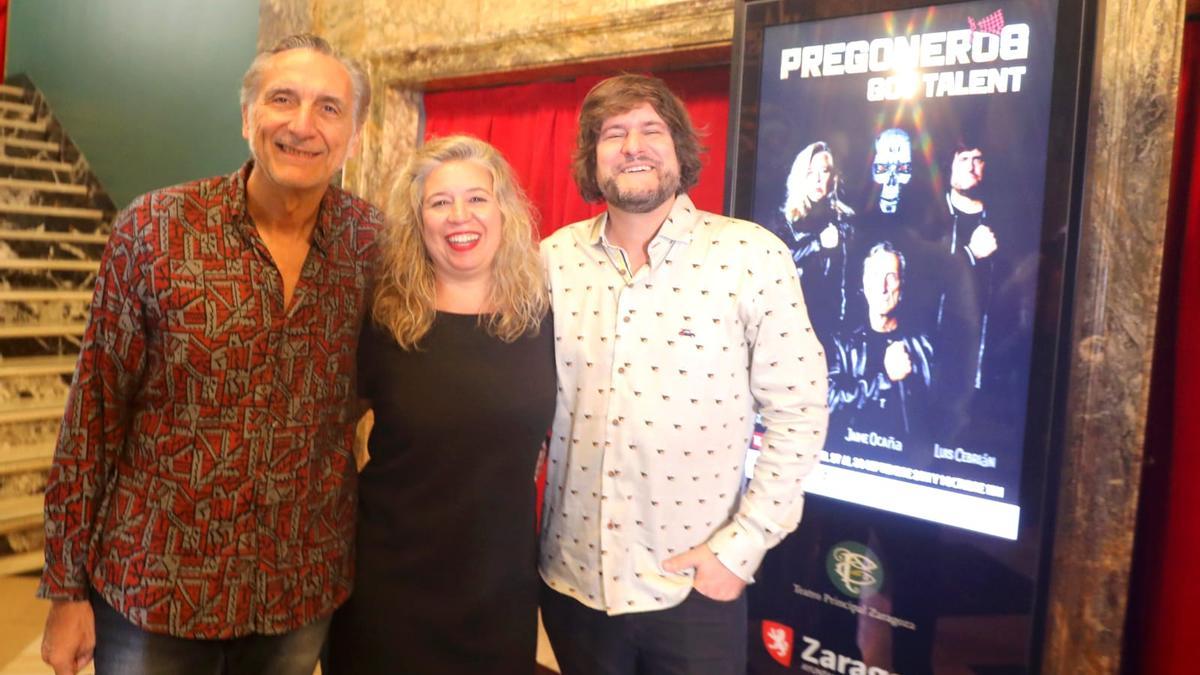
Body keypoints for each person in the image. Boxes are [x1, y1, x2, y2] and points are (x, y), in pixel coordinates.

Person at [38, 34, 380, 675]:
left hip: (296, 590)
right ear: (248, 116)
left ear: (354, 135)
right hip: (154, 589)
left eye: (329, 108)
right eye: (283, 99)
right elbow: (93, 414)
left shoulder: (372, 246)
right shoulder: (155, 228)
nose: (303, 125)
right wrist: (65, 586)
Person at [538, 73, 829, 675]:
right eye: (613, 134)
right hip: (572, 585)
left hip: (692, 589)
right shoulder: (551, 259)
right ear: (592, 160)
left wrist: (741, 547)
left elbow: (799, 411)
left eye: (651, 130)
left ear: (680, 150)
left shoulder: (750, 256)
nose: (633, 146)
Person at [324, 135, 555, 675]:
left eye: (477, 197)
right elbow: (327, 433)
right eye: (439, 202)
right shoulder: (382, 317)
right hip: (389, 587)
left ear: (504, 211)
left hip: (499, 590)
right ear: (418, 219)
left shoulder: (544, 317)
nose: (459, 216)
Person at [827, 242, 933, 445]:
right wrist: (884, 378)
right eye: (875, 276)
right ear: (864, 284)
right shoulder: (841, 343)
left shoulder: (923, 347)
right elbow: (828, 403)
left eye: (891, 277)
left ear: (902, 285)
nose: (882, 287)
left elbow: (937, 416)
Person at [766, 141, 856, 343]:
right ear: (800, 176)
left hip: (835, 328)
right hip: (790, 325)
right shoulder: (783, 220)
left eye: (824, 171)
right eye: (810, 172)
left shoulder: (845, 220)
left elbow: (851, 277)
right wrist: (818, 244)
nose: (817, 179)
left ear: (833, 176)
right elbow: (778, 262)